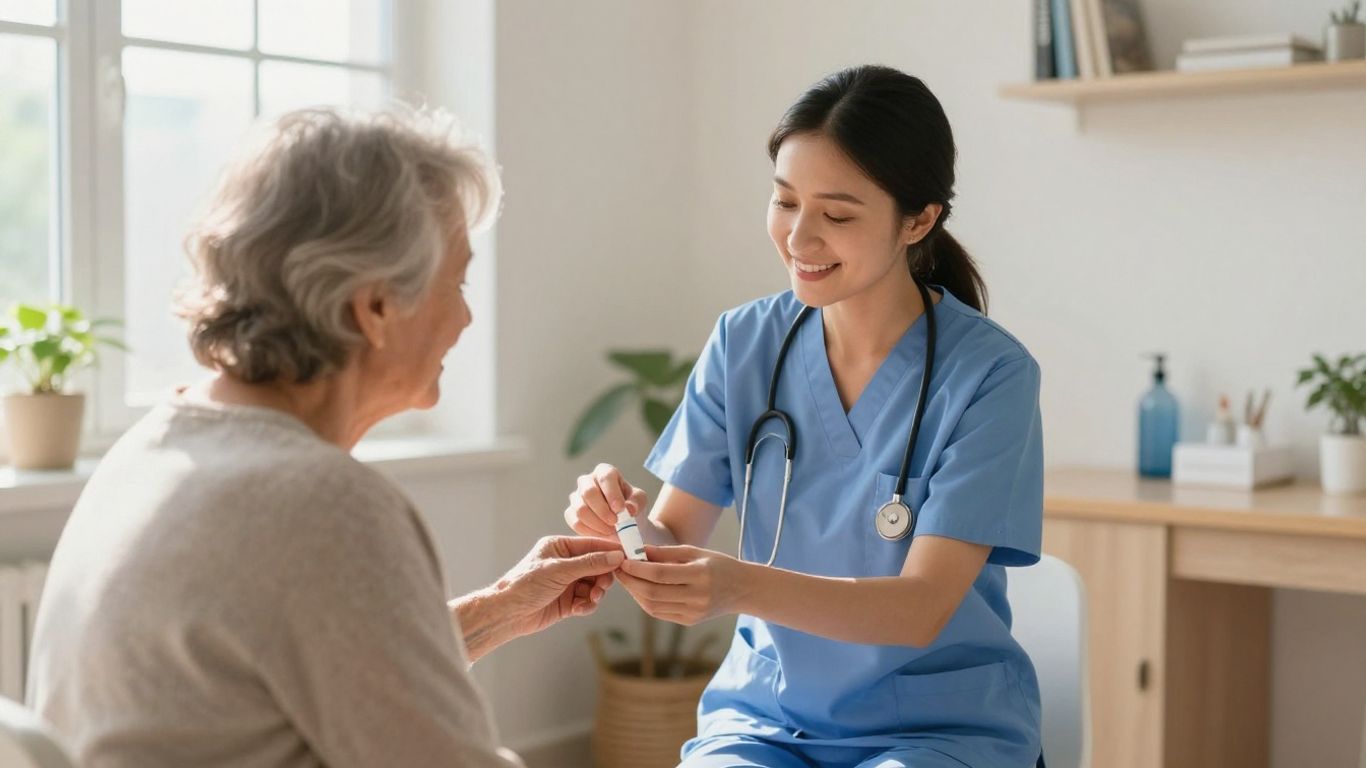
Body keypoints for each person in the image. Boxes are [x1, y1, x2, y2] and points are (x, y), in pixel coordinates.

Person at [27, 106, 621, 768]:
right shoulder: (320, 503)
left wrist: (499, 611)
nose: (465, 316)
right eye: (455, 281)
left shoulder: (156, 448)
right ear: (374, 308)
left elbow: (305, 671)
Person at [565, 65, 1045, 767]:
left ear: (919, 219)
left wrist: (736, 585)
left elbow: (919, 609)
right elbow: (675, 533)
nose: (799, 238)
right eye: (786, 202)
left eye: (838, 215)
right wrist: (627, 529)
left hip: (938, 731)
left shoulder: (990, 375)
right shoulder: (744, 344)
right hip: (768, 723)